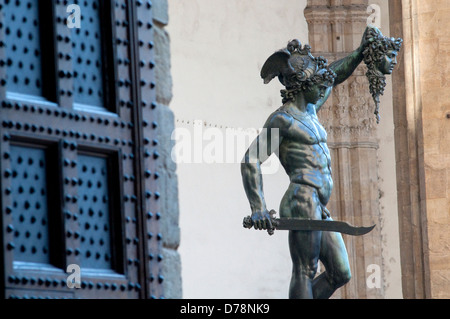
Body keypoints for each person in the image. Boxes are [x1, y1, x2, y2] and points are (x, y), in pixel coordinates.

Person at [241, 26, 401, 299]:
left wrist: (361, 52)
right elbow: (251, 160)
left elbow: (335, 75)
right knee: (305, 269)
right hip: (301, 198)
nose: (325, 87)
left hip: (319, 203)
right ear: (303, 85)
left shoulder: (311, 109)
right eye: (319, 82)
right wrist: (258, 208)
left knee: (341, 273)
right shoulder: (283, 120)